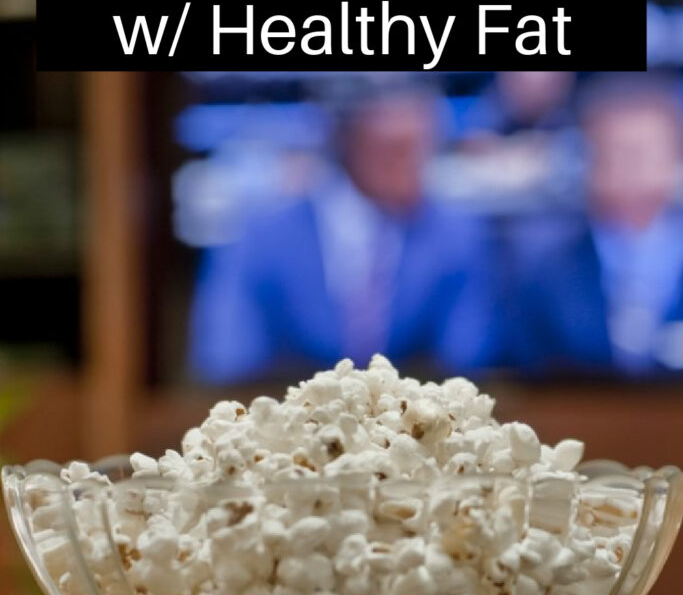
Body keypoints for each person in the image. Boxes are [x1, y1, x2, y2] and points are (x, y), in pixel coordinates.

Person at [189, 81, 499, 382]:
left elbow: (470, 359)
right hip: (292, 420)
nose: (412, 169)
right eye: (394, 152)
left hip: (413, 423)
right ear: (346, 141)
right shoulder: (261, 234)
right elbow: (226, 360)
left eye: (422, 149)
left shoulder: (456, 233)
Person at [511, 75, 683, 375]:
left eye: (644, 152)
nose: (633, 169)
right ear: (588, 160)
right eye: (618, 153)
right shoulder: (543, 267)